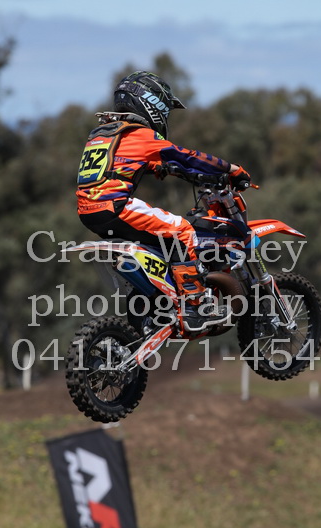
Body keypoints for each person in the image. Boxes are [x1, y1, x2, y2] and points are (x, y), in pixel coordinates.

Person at [76, 71, 251, 332]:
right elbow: (187, 157)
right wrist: (231, 169)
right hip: (115, 206)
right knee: (182, 230)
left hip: (89, 211)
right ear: (151, 103)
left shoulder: (103, 133)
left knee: (158, 245)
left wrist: (156, 166)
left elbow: (117, 165)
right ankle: (194, 308)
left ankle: (150, 312)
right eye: (165, 109)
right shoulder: (141, 135)